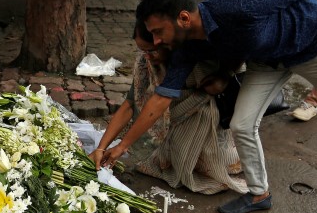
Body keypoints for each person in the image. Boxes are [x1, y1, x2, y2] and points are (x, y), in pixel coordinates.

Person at [99, 0, 317, 213]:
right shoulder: (186, 45)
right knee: (243, 124)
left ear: (183, 18)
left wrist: (287, 13)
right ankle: (259, 193)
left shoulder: (243, 3)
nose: (155, 42)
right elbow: (161, 98)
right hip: (269, 62)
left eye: (157, 32)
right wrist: (121, 147)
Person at [90, 21, 246, 194]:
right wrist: (101, 147)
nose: (147, 56)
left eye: (151, 50)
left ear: (166, 43)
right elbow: (129, 103)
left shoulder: (189, 55)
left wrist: (222, 78)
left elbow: (159, 102)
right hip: (173, 113)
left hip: (204, 110)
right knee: (170, 160)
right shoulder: (146, 62)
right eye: (143, 51)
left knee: (209, 166)